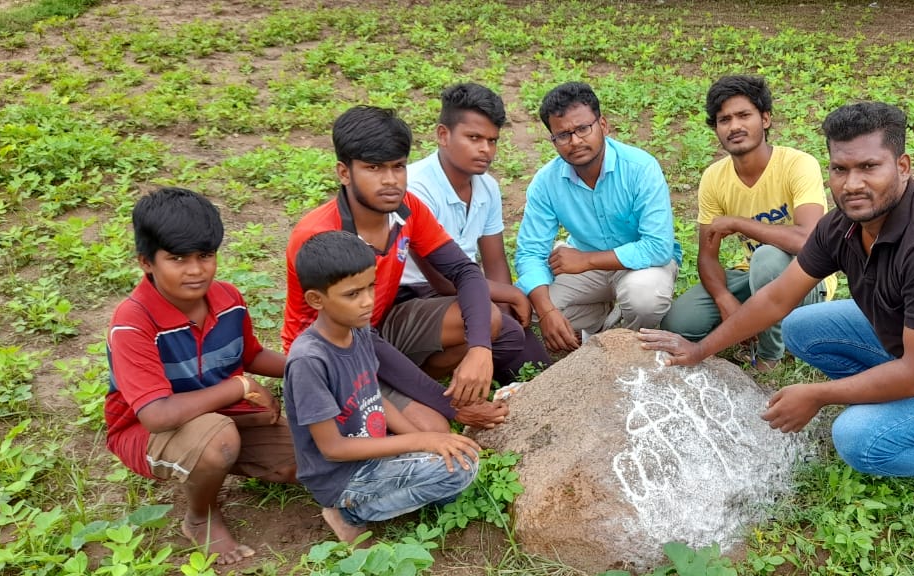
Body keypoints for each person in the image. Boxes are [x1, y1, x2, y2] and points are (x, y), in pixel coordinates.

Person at [640, 102, 914, 521]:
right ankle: (902, 411)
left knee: (858, 439)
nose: (852, 184)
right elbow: (778, 298)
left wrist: (818, 394)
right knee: (801, 326)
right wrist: (700, 349)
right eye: (840, 169)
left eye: (869, 167)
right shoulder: (844, 225)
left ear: (903, 166)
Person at [283, 105, 517, 431]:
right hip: (332, 355)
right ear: (344, 172)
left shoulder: (407, 209)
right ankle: (414, 399)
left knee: (487, 319)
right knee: (433, 430)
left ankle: (414, 390)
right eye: (374, 168)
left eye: (399, 166)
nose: (391, 180)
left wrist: (480, 350)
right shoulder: (320, 236)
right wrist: (449, 406)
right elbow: (357, 336)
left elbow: (464, 272)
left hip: (379, 326)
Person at [105, 187, 294, 565]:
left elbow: (251, 355)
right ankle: (201, 517)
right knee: (217, 441)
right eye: (177, 258)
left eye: (205, 256)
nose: (195, 270)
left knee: (301, 458)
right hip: (147, 432)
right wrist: (239, 386)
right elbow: (156, 415)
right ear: (146, 261)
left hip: (220, 419)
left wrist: (314, 362)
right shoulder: (133, 323)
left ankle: (217, 463)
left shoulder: (228, 299)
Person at [284, 231, 479, 544]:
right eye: (352, 294)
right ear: (316, 299)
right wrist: (422, 441)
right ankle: (347, 513)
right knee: (459, 468)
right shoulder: (309, 360)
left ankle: (407, 492)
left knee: (453, 455)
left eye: (370, 287)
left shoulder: (358, 330)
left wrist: (421, 440)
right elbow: (333, 449)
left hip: (372, 448)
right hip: (341, 477)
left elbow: (372, 397)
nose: (367, 301)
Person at [660, 75, 837, 371]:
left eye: (744, 115)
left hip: (805, 278)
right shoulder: (714, 178)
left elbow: (807, 240)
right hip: (753, 275)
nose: (735, 126)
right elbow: (707, 256)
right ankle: (753, 325)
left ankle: (770, 358)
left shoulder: (797, 164)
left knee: (767, 258)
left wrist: (740, 223)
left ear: (765, 119)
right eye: (724, 119)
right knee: (680, 322)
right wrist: (724, 299)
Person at [514, 81, 681, 352]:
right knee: (526, 307)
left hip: (639, 266)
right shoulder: (546, 182)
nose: (575, 141)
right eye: (563, 135)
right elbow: (530, 253)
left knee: (644, 298)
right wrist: (546, 312)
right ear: (553, 140)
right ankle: (604, 322)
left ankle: (619, 347)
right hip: (584, 268)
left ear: (603, 125)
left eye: (583, 128)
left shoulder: (640, 168)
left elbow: (658, 247)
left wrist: (586, 260)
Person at [401, 83, 551, 381]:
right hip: (414, 295)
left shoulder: (487, 188)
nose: (486, 149)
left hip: (466, 288)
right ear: (443, 135)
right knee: (497, 327)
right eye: (474, 138)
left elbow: (494, 260)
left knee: (536, 364)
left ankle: (481, 351)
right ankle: (417, 375)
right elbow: (441, 280)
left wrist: (510, 311)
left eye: (492, 140)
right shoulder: (415, 188)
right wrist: (509, 296)